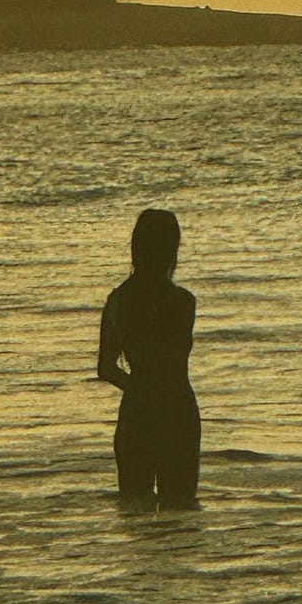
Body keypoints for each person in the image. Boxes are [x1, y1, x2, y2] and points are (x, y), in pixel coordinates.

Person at [97, 209, 201, 511]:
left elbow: (106, 367)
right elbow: (171, 357)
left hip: (138, 411)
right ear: (172, 249)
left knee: (135, 511)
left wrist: (139, 388)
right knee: (180, 512)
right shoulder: (183, 302)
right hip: (178, 410)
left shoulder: (119, 300)